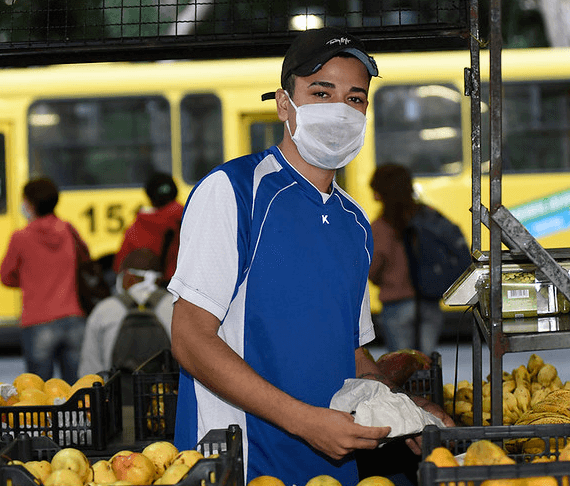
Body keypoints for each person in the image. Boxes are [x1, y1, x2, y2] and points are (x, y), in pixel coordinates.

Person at [167, 27, 453, 486]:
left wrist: (407, 412)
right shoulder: (235, 192)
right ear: (285, 105)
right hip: (238, 467)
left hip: (330, 468)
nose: (340, 109)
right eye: (321, 92)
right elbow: (190, 339)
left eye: (355, 98)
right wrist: (306, 423)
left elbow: (353, 355)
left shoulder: (355, 223)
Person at [0, 177, 87, 383]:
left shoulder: (21, 237)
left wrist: (28, 279)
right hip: (73, 318)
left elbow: (6, 276)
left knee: (38, 394)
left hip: (38, 322)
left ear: (29, 204)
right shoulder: (68, 229)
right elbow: (85, 260)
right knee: (76, 390)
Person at [368, 163, 445, 356]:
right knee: (426, 366)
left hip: (396, 306)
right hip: (429, 303)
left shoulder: (381, 227)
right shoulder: (428, 218)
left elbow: (373, 269)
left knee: (403, 370)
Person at [78, 248, 173, 377]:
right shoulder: (175, 306)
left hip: (120, 394)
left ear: (129, 276)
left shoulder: (105, 309)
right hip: (167, 393)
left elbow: (90, 369)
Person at [113, 172, 182, 281]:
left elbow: (119, 267)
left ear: (149, 196)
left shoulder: (136, 228)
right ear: (176, 193)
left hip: (151, 290)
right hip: (183, 291)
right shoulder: (189, 219)